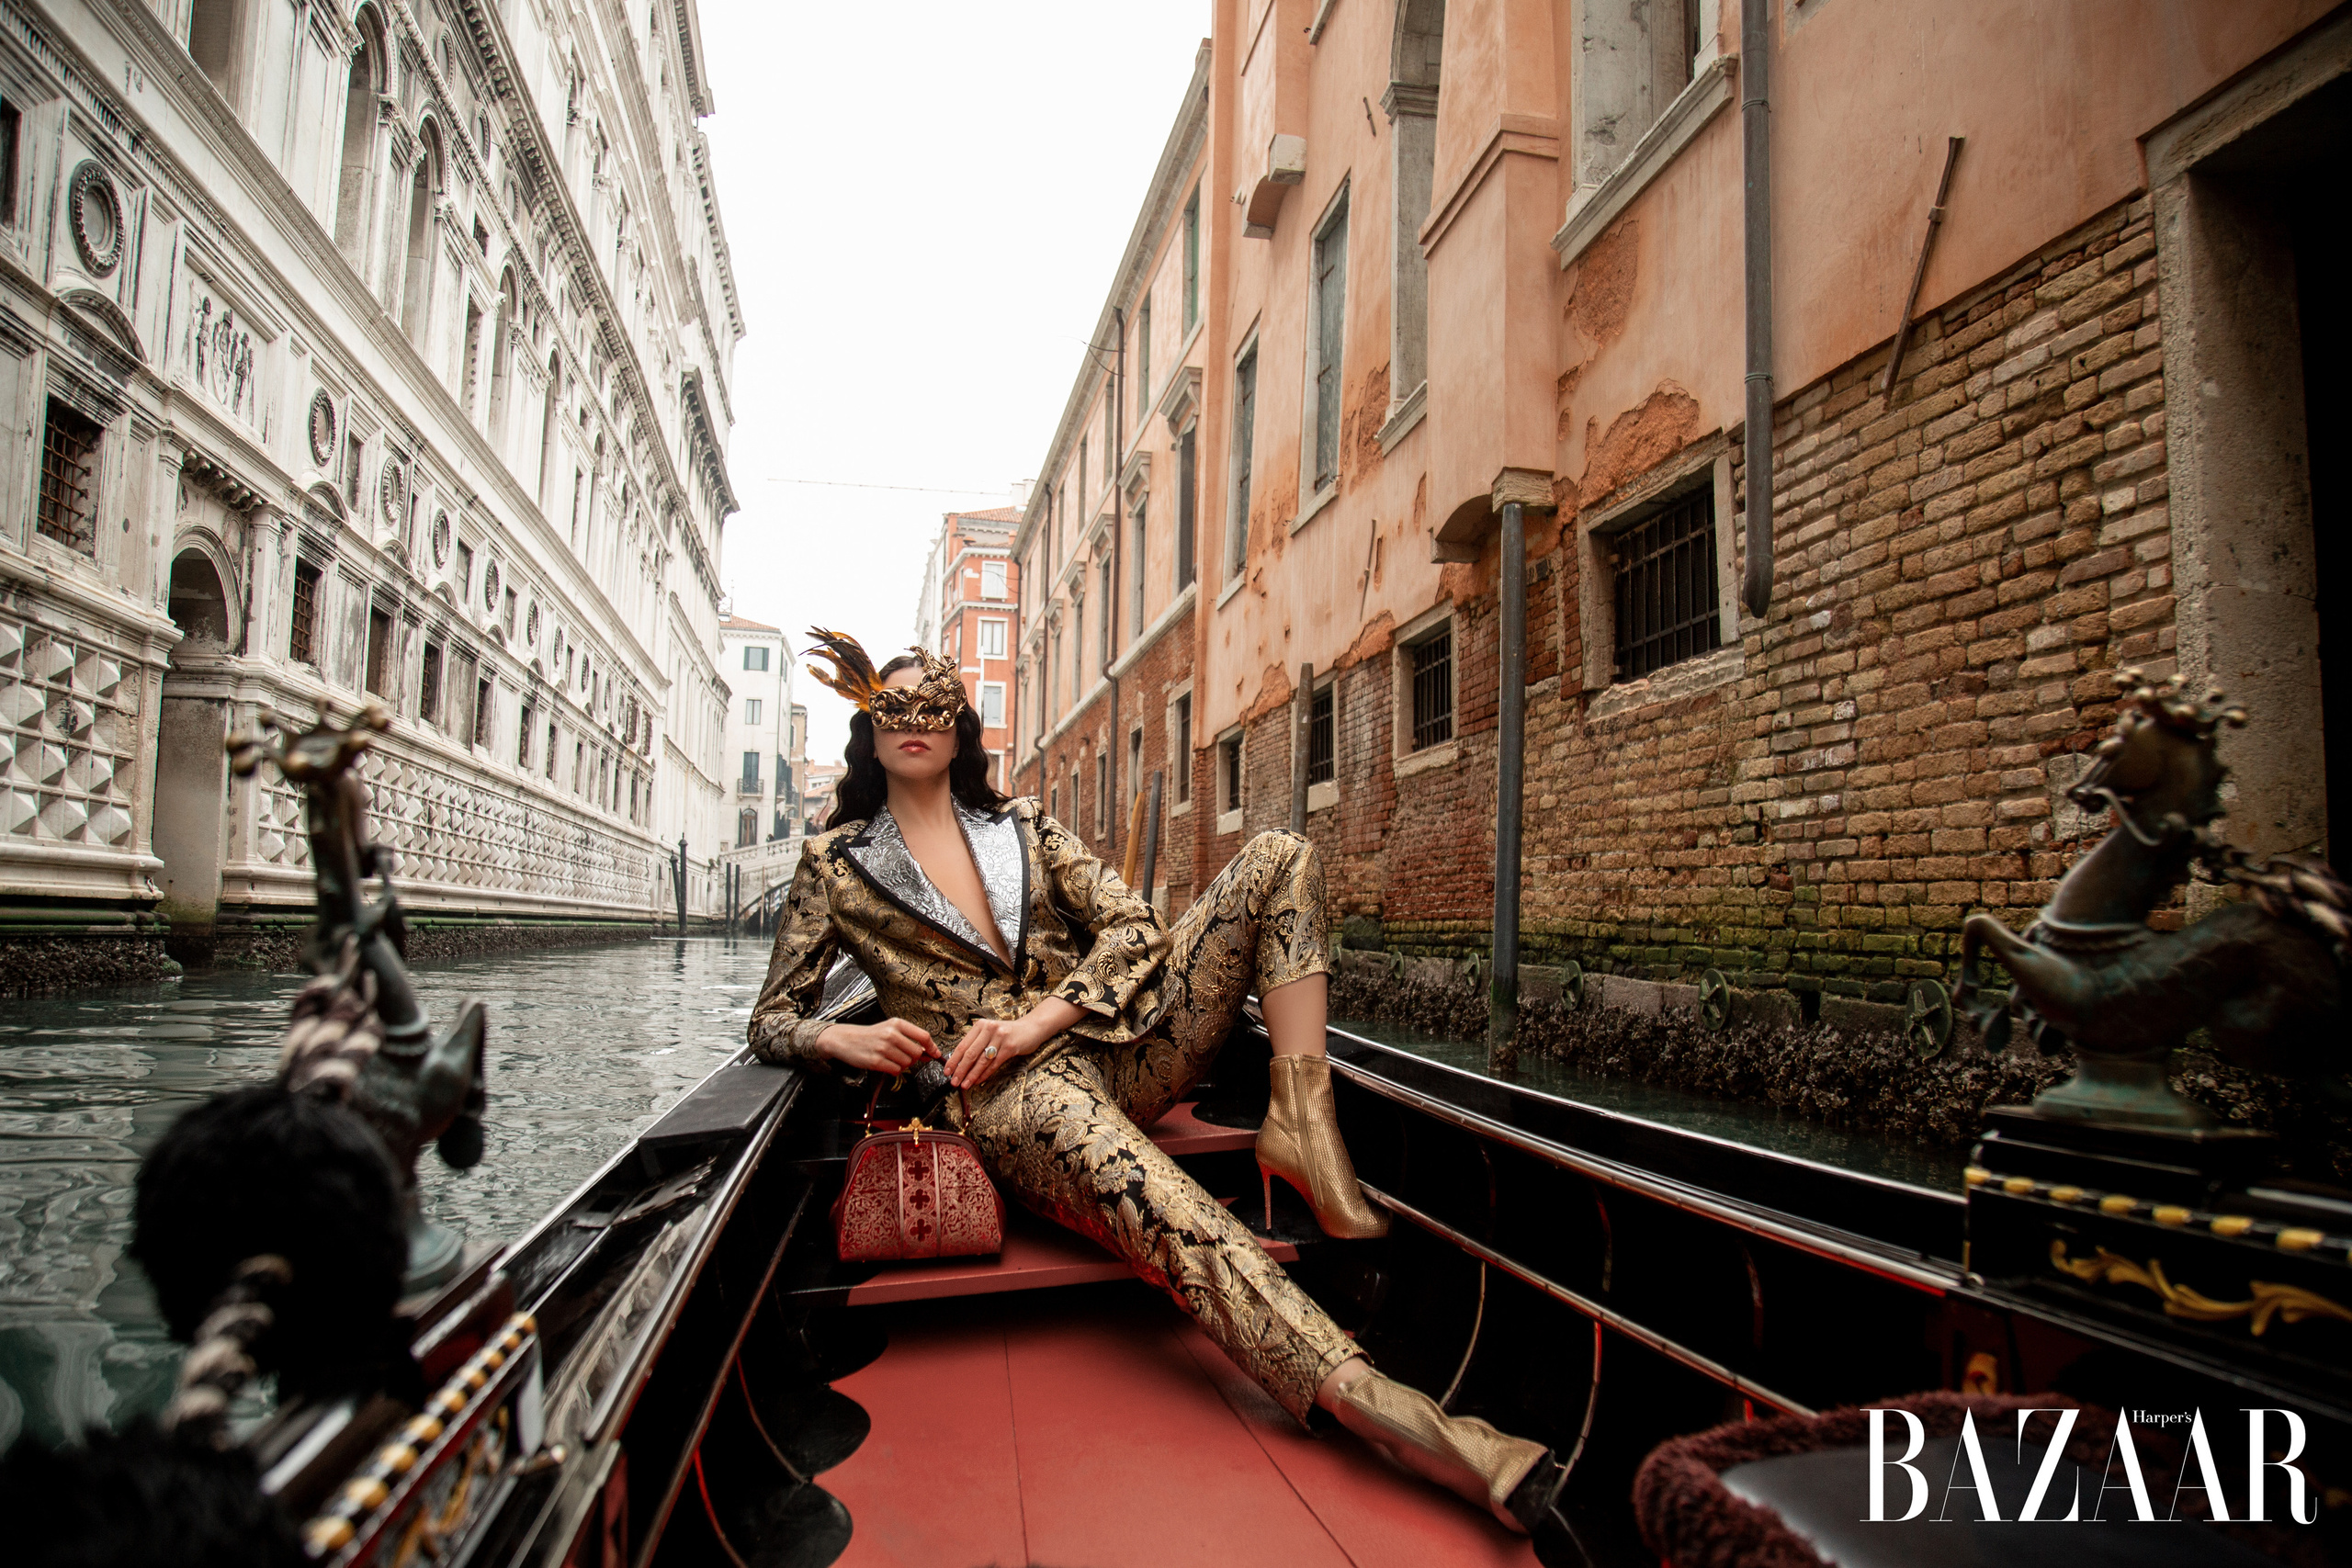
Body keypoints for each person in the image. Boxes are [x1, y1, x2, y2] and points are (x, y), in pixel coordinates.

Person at [749, 631, 1566, 1534]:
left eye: (931, 707)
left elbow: (1135, 927)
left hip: (1111, 1042)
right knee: (1162, 1198)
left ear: (959, 730)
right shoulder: (834, 865)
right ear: (869, 728)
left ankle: (1301, 1116)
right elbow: (771, 1021)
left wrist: (1044, 1017)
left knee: (1279, 857)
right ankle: (1379, 1405)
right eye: (891, 708)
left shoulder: (1022, 827)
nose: (912, 723)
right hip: (1007, 1098)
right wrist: (841, 1044)